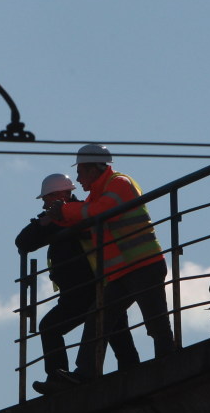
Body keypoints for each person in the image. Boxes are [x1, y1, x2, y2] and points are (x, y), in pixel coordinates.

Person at [47, 144, 174, 374]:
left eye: (82, 171)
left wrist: (63, 212)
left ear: (95, 168)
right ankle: (84, 373)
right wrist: (60, 217)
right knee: (98, 319)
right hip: (121, 272)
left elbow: (98, 211)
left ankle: (168, 362)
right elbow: (86, 214)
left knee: (155, 321)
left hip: (143, 264)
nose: (78, 177)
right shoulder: (98, 193)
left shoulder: (119, 183)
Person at [14, 173, 112, 395]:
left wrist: (58, 218)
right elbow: (24, 242)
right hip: (76, 290)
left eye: (46, 198)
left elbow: (87, 228)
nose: (45, 203)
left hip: (92, 285)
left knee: (113, 328)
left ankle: (60, 378)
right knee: (110, 327)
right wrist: (47, 219)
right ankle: (58, 377)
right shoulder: (54, 219)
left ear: (61, 195)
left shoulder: (83, 211)